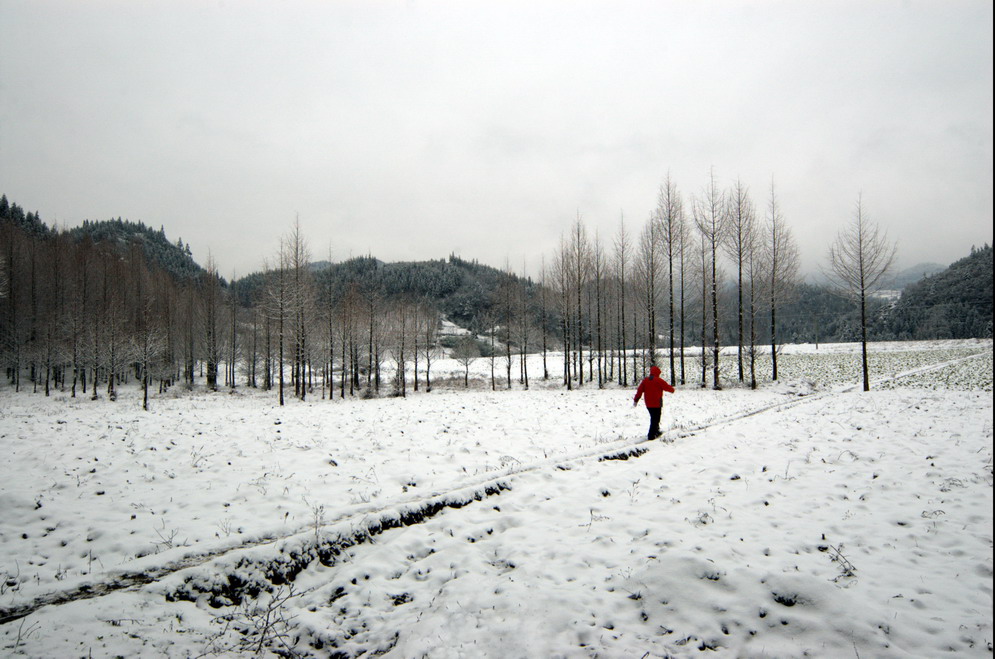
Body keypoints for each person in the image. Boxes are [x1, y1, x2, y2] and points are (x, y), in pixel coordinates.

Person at [633, 365, 676, 440]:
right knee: (655, 419)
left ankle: (656, 431)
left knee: (654, 418)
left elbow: (639, 391)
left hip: (648, 404)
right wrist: (672, 390)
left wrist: (636, 400)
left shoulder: (645, 380)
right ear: (658, 373)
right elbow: (668, 388)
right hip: (657, 403)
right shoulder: (659, 380)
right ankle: (651, 435)